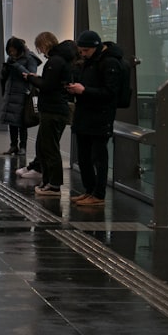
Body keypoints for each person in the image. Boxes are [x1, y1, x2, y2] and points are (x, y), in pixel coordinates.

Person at [66, 29, 124, 207]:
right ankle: (89, 190)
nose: (83, 54)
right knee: (83, 156)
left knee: (99, 156)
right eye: (81, 51)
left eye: (86, 51)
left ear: (96, 48)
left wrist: (84, 90)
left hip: (100, 116)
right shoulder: (89, 63)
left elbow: (110, 93)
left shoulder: (109, 63)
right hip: (85, 115)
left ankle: (98, 194)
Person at [22, 32, 78, 196]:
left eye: (39, 48)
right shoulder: (61, 60)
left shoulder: (55, 61)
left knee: (49, 147)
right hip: (54, 109)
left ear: (44, 44)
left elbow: (47, 85)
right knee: (45, 146)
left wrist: (31, 79)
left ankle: (53, 184)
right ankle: (48, 181)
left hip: (52, 110)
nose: (40, 52)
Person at [0, 36, 41, 156]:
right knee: (12, 121)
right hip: (11, 92)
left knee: (22, 121)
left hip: (23, 93)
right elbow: (4, 76)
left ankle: (23, 146)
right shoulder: (11, 58)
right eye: (9, 51)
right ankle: (13, 145)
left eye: (13, 50)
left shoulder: (30, 58)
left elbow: (31, 75)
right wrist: (5, 69)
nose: (11, 53)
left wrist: (16, 65)